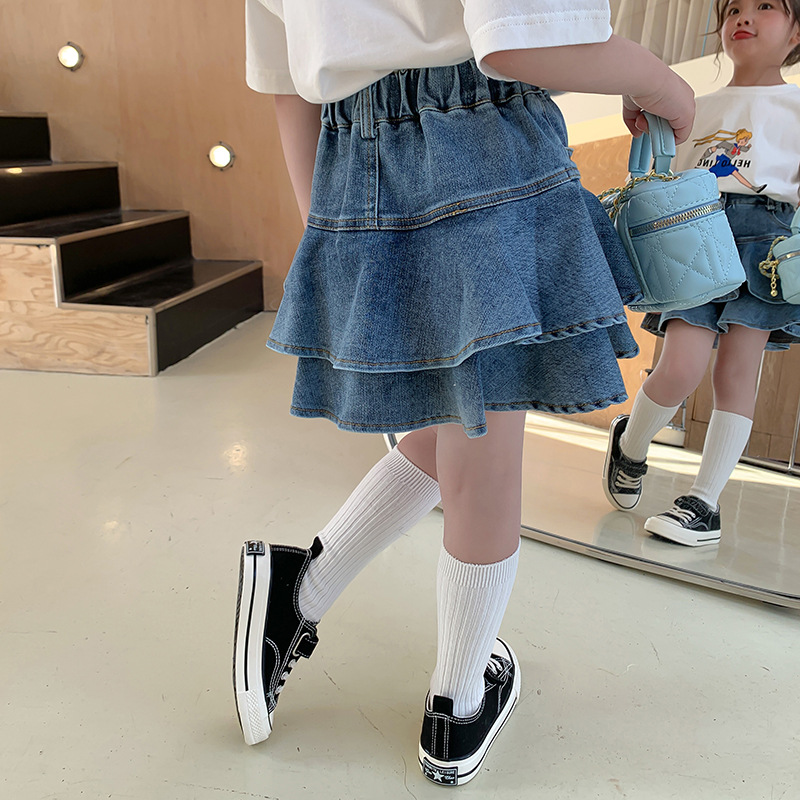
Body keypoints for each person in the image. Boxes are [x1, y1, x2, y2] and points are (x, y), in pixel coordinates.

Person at [234, 0, 694, 786]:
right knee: (487, 444)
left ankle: (296, 590)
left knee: (458, 420)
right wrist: (666, 87)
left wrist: (333, 231)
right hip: (481, 139)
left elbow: (286, 82)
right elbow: (514, 42)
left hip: (348, 156)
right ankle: (457, 703)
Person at [604, 0, 800, 547]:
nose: (744, 16)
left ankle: (705, 503)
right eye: (733, 8)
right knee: (679, 368)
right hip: (696, 230)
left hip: (769, 242)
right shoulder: (690, 105)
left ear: (796, 33)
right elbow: (666, 175)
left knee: (737, 372)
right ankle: (632, 445)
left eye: (765, 6)